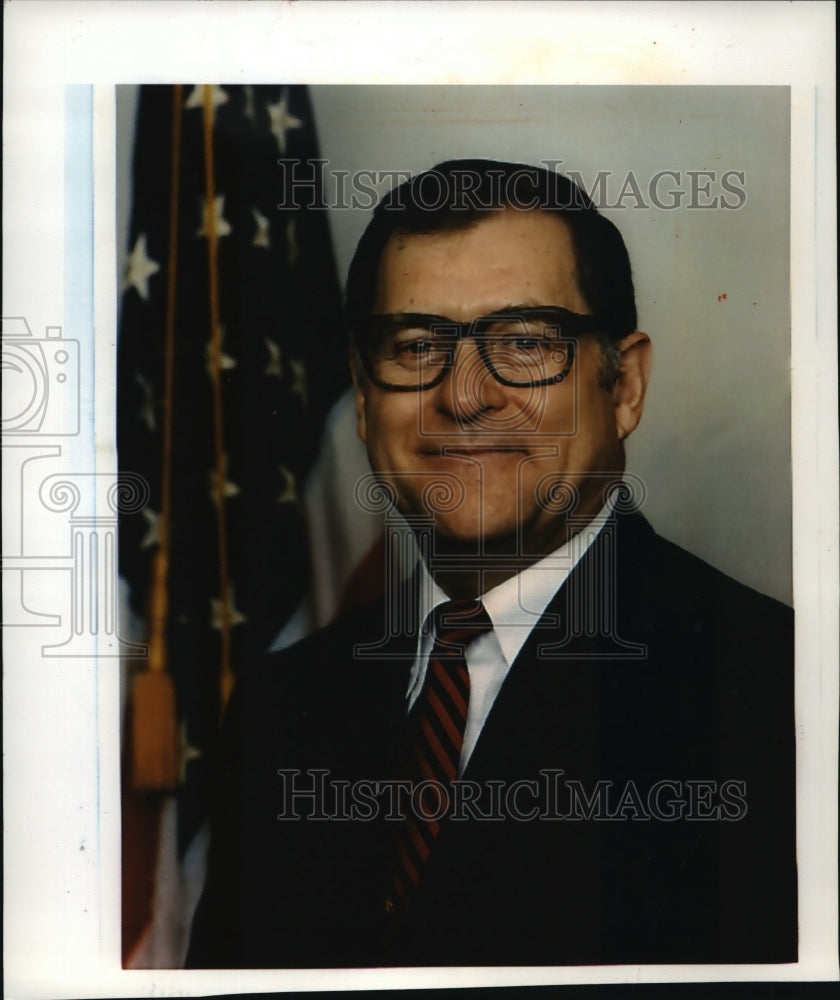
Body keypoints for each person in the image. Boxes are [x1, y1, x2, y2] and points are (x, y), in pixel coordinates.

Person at [186, 160, 797, 968]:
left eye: (524, 341)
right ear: (366, 405)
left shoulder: (778, 689)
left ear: (625, 386)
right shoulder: (279, 709)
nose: (466, 396)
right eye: (414, 346)